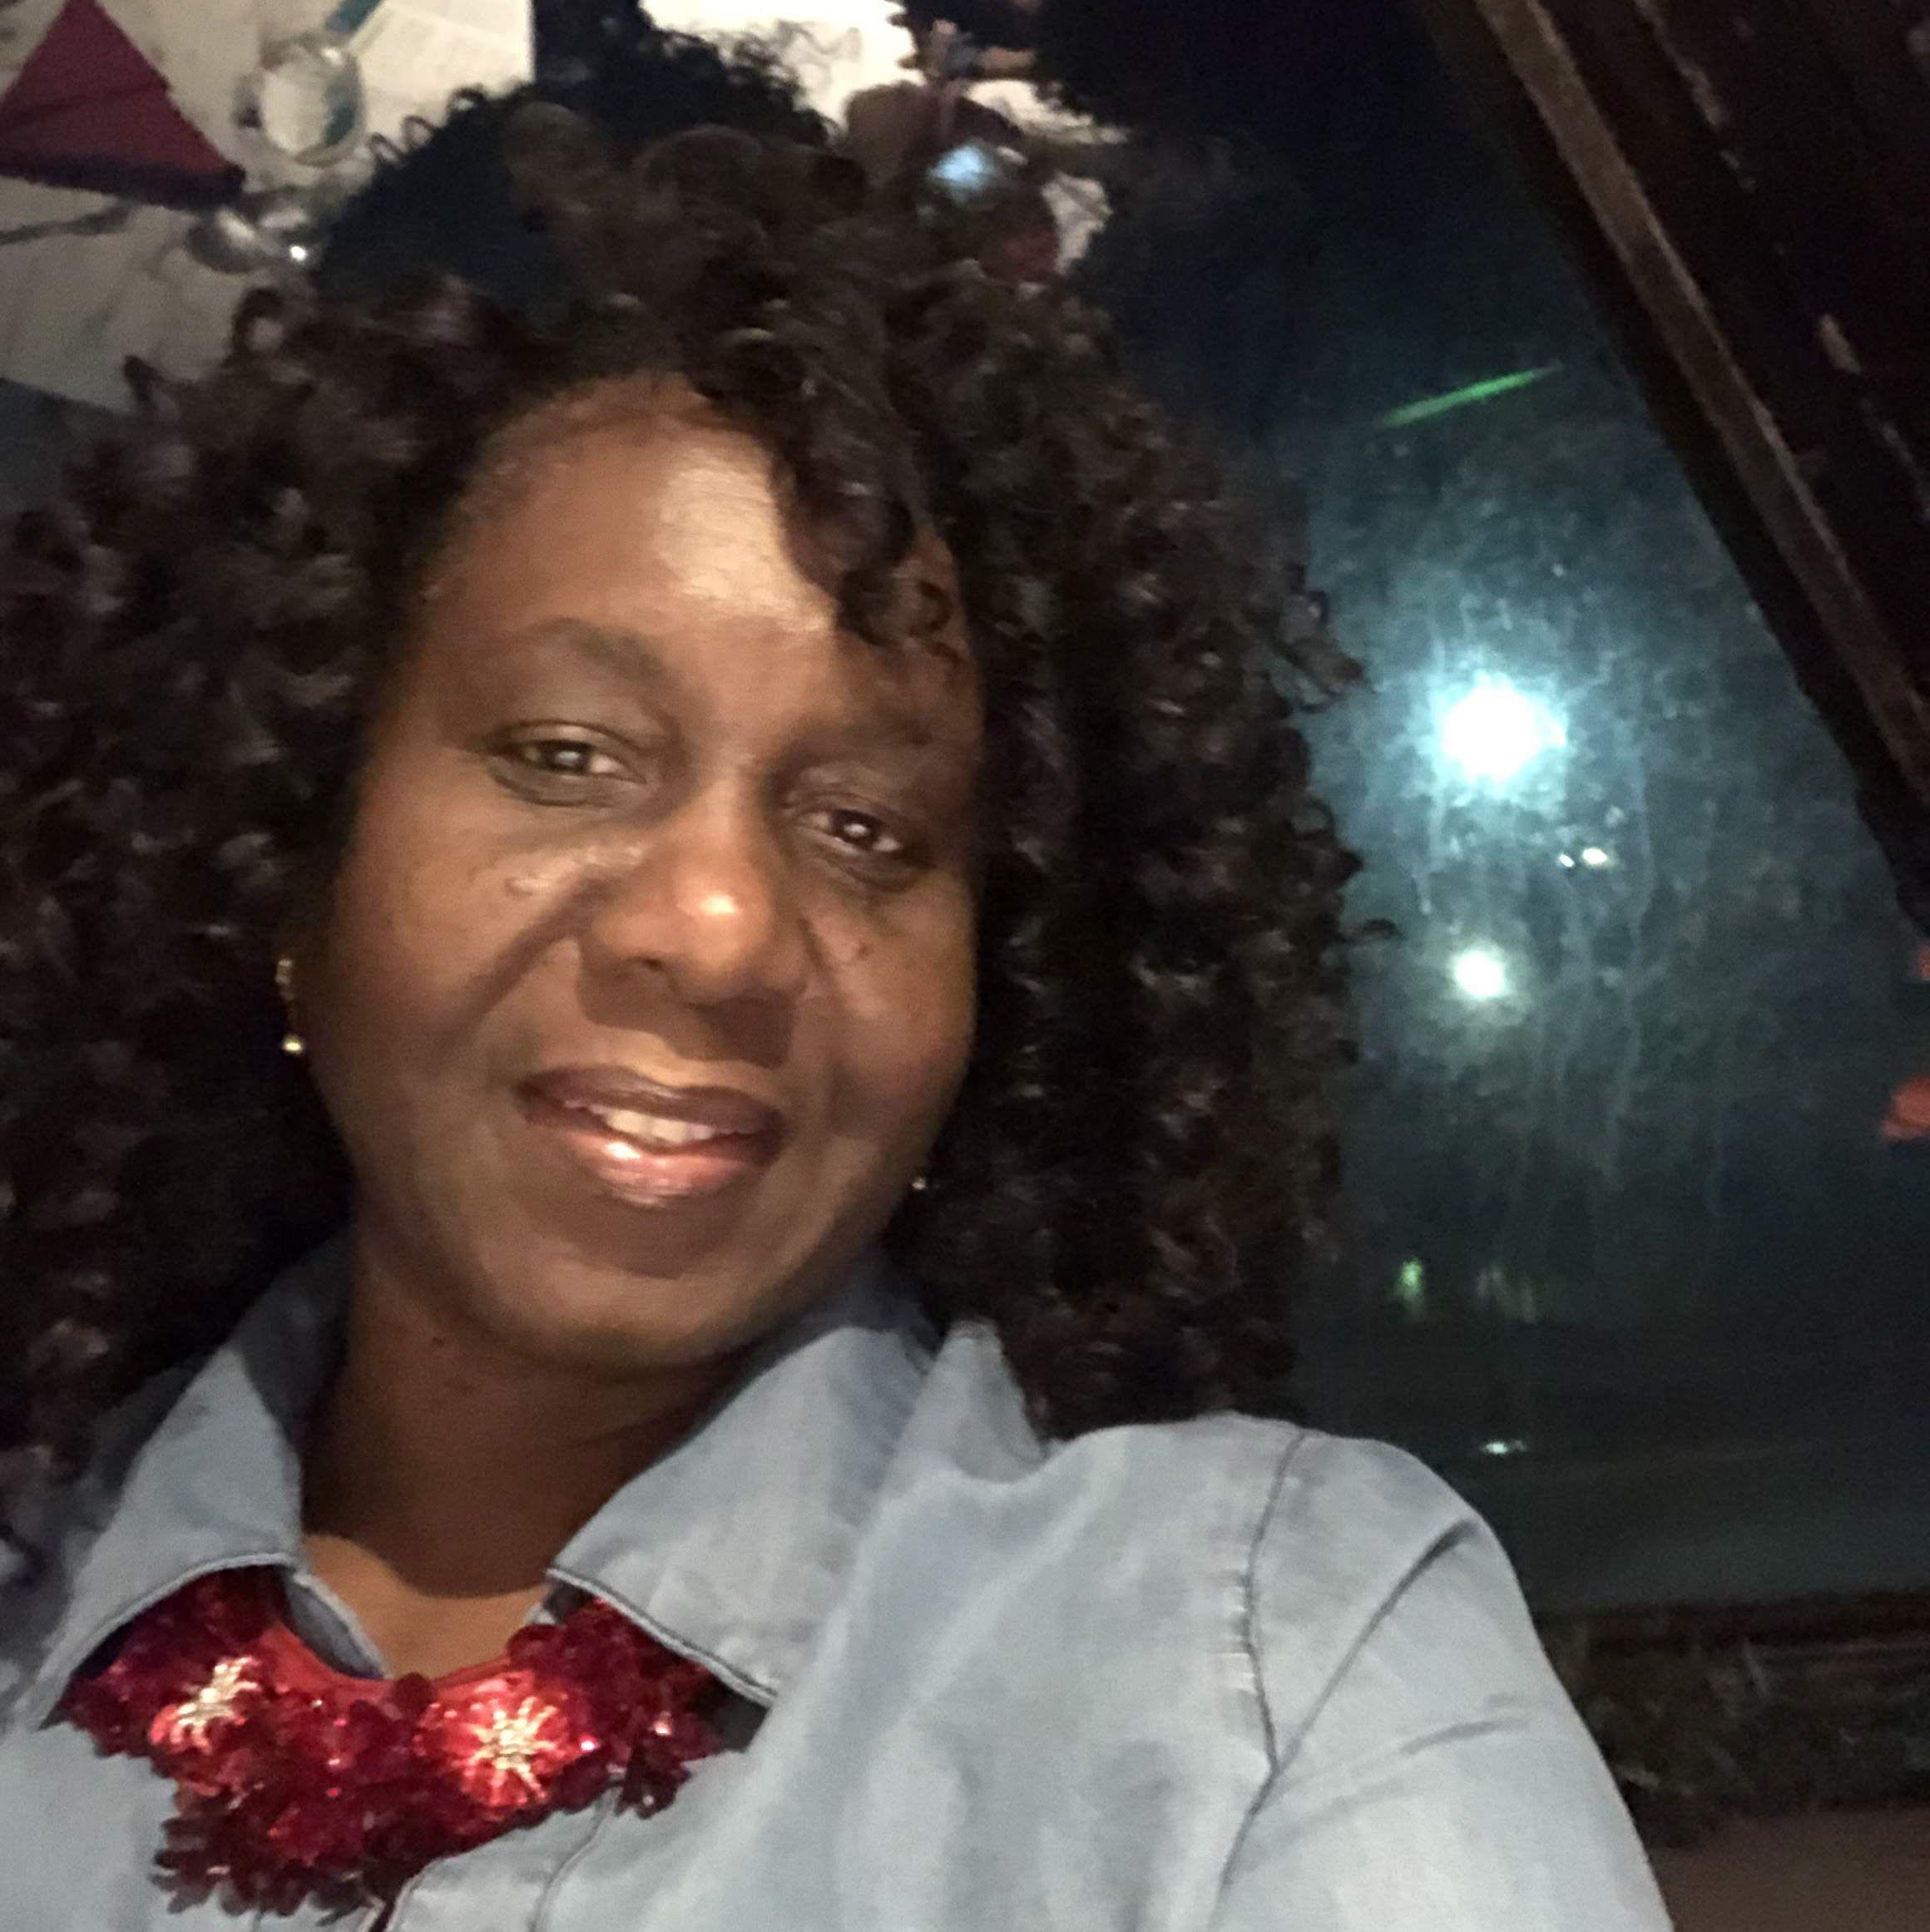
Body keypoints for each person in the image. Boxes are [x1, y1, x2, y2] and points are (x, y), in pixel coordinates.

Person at [0, 90, 1671, 1932]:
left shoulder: (1266, 1667)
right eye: (566, 753)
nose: (719, 929)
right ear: (284, 855)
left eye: (868, 828)